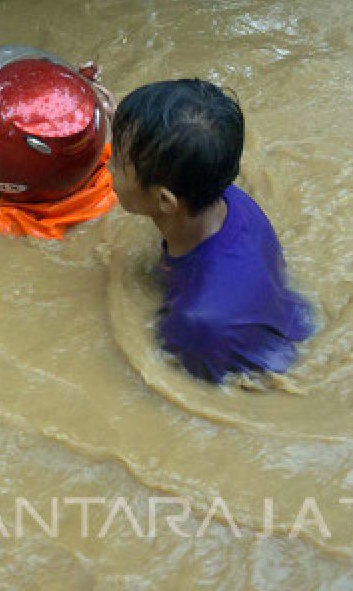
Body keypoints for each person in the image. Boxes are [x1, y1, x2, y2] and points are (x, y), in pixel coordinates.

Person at [107, 79, 314, 382]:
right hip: (282, 317)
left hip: (253, 362)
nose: (109, 166)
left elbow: (185, 389)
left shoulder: (196, 323)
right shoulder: (225, 195)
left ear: (165, 200)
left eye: (118, 162)